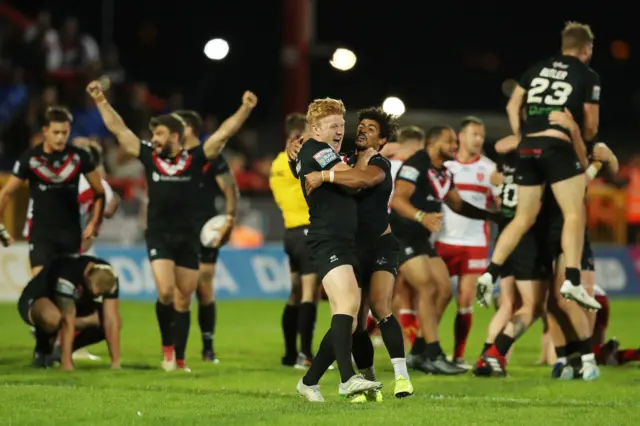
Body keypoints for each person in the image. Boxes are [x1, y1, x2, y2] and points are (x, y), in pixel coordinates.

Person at [86, 79, 257, 371]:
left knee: (184, 298)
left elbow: (224, 133)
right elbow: (119, 130)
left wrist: (245, 108)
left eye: (160, 133)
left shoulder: (195, 158)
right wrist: (100, 99)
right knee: (165, 292)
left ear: (176, 136)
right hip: (160, 236)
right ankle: (167, 351)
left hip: (188, 238)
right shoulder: (149, 157)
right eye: (153, 133)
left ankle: (179, 358)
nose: (155, 138)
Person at [476, 22, 602, 311]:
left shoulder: (536, 69)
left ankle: (490, 272)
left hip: (527, 147)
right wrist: (578, 134)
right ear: (586, 49)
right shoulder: (587, 74)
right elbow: (592, 126)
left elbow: (512, 106)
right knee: (574, 212)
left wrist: (521, 137)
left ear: (562, 46)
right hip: (556, 146)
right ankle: (572, 278)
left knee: (522, 217)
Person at [305, 107, 414, 400]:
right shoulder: (346, 161)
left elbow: (361, 181)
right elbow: (315, 153)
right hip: (352, 248)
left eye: (371, 128)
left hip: (380, 246)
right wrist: (298, 149)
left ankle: (402, 378)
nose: (362, 130)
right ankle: (367, 382)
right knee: (354, 321)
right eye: (361, 125)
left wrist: (324, 176)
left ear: (381, 141)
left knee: (380, 307)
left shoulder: (379, 164)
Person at [390, 125, 499, 375]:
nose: (454, 146)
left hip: (421, 239)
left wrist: (493, 217)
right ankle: (433, 353)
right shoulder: (415, 165)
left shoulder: (443, 173)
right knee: (427, 288)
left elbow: (459, 205)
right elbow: (398, 200)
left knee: (443, 290)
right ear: (433, 142)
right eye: (450, 142)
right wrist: (421, 216)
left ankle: (418, 352)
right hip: (401, 236)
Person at [293, 97, 382, 402]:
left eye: (342, 126)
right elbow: (355, 182)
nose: (339, 131)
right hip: (326, 238)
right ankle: (347, 380)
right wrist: (341, 172)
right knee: (348, 303)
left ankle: (309, 381)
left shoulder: (324, 151)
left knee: (349, 317)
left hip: (345, 240)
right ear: (315, 128)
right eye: (332, 126)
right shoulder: (313, 149)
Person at [472, 135, 553, 377]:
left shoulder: (508, 159)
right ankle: (493, 355)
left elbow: (499, 149)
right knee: (533, 307)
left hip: (505, 237)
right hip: (526, 239)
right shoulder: (536, 162)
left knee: (508, 304)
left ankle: (486, 357)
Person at [0, 107, 105, 276]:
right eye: (56, 132)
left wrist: (95, 222)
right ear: (45, 131)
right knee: (41, 287)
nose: (61, 137)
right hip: (41, 235)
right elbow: (6, 193)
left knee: (65, 292)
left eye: (65, 133)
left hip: (70, 235)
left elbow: (99, 191)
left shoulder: (79, 157)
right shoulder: (31, 158)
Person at [175, 109, 240, 364]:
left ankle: (208, 347)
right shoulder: (173, 158)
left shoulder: (210, 157)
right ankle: (174, 349)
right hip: (178, 230)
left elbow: (229, 189)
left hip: (205, 230)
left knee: (203, 287)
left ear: (187, 129)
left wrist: (229, 220)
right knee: (178, 291)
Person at [434, 116, 499, 367]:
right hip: (443, 240)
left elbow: (500, 203)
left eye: (482, 135)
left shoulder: (490, 169)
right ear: (461, 137)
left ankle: (458, 356)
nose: (479, 139)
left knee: (465, 299)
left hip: (475, 243)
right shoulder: (445, 166)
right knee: (438, 296)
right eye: (474, 134)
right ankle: (427, 349)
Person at [269, 113, 320, 368]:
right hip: (308, 230)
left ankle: (290, 354)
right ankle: (306, 354)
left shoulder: (276, 164)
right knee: (310, 294)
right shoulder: (299, 160)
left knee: (295, 293)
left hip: (291, 234)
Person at [17, 254, 120, 370]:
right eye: (94, 293)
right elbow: (67, 320)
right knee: (52, 318)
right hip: (37, 300)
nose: (96, 296)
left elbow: (111, 319)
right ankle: (43, 348)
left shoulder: (109, 277)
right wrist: (67, 364)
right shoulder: (68, 276)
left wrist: (115, 363)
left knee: (111, 321)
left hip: (74, 303)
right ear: (87, 277)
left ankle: (59, 350)